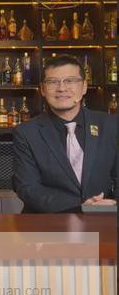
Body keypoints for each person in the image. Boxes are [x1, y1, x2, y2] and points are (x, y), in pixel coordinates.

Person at [13, 54, 117, 213]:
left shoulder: (111, 125)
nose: (61, 88)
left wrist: (112, 204)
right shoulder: (26, 132)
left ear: (84, 87)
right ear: (42, 89)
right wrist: (82, 206)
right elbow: (28, 188)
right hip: (48, 222)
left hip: (103, 218)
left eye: (70, 81)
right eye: (53, 82)